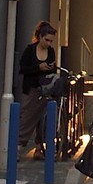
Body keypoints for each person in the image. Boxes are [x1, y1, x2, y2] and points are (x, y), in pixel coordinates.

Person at [18, 21, 60, 159]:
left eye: (51, 41)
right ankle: (18, 146)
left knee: (42, 118)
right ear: (40, 37)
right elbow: (23, 68)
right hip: (31, 87)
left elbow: (53, 68)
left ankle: (39, 148)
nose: (49, 43)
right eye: (46, 40)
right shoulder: (30, 50)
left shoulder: (51, 51)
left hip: (45, 88)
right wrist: (38, 67)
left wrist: (51, 67)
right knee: (27, 115)